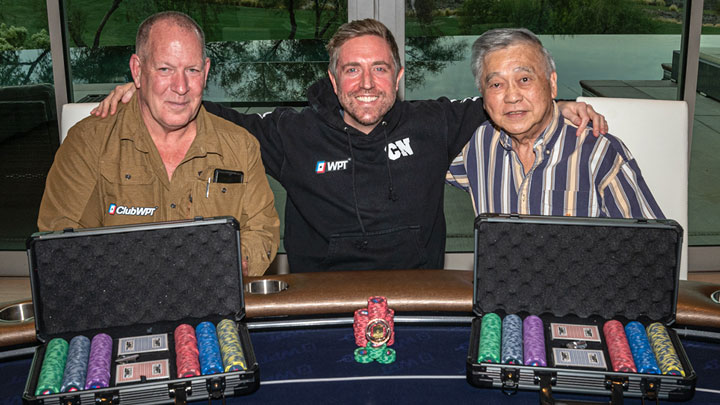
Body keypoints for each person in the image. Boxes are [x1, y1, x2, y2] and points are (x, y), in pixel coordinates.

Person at [92, 19, 606, 273]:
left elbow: (510, 101)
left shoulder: (436, 123)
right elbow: (207, 112)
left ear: (399, 77)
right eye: (352, 70)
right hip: (320, 301)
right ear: (333, 80)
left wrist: (563, 106)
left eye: (379, 69)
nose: (366, 83)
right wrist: (144, 91)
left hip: (418, 299)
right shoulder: (291, 134)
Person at [38, 11, 280, 276]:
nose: (180, 87)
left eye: (192, 70)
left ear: (206, 71)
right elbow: (59, 240)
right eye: (165, 69)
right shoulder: (89, 144)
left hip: (213, 299)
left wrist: (233, 262)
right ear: (138, 71)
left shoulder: (240, 146)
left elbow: (262, 231)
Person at [447, 28, 663, 219]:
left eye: (524, 79)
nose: (512, 96)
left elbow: (652, 249)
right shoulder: (476, 146)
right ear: (483, 96)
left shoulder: (598, 153)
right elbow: (420, 151)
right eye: (496, 84)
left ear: (552, 84)